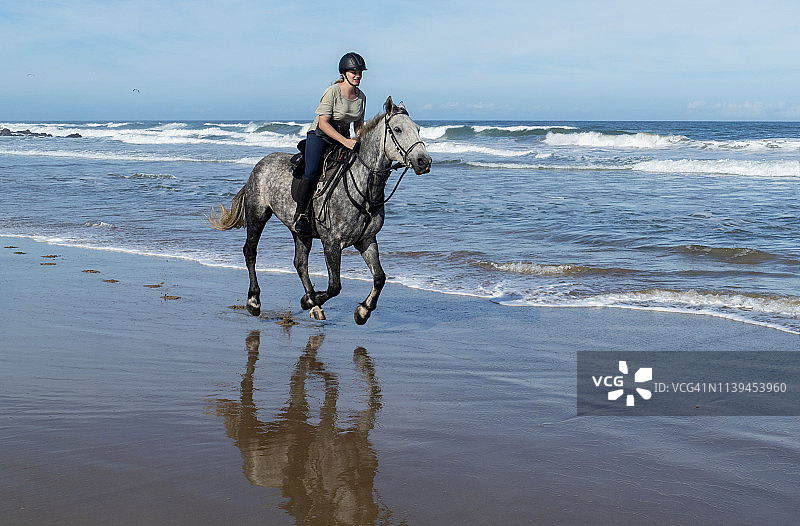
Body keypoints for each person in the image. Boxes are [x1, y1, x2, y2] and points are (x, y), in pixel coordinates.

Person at [293, 52, 368, 234]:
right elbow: (323, 123)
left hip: (343, 137)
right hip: (320, 135)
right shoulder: (333, 92)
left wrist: (359, 140)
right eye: (353, 72)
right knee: (311, 172)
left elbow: (358, 126)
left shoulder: (362, 97)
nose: (357, 75)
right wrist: (345, 141)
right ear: (344, 73)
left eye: (359, 72)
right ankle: (301, 214)